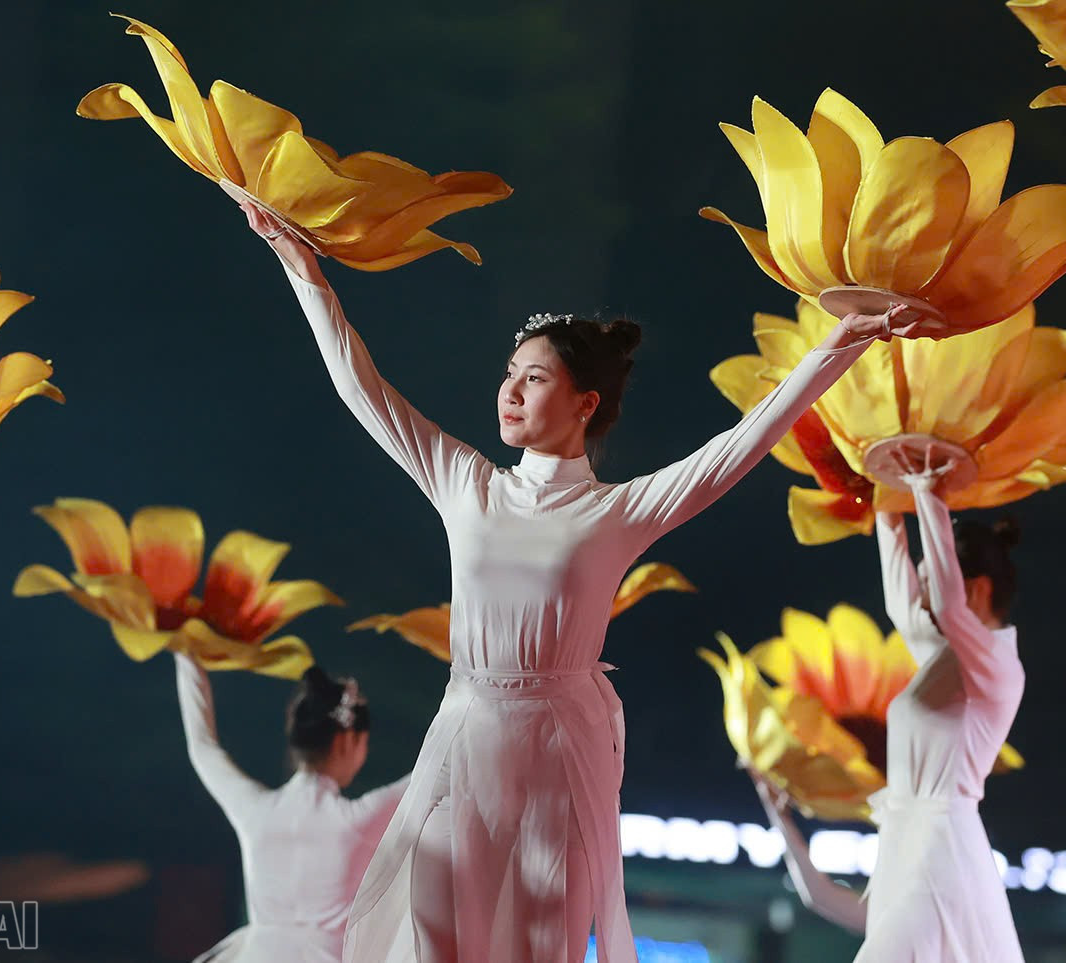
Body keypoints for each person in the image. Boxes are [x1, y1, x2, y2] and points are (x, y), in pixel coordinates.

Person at [242, 200, 951, 962]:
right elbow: (362, 388)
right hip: (466, 733)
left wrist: (844, 339)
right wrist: (303, 269)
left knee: (538, 944)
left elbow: (743, 443)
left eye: (534, 377)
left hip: (558, 752)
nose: (511, 390)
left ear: (585, 403)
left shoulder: (616, 512)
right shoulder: (466, 482)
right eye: (510, 374)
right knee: (430, 933)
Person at [753, 453, 1026, 962]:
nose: (921, 600)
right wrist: (885, 499)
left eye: (931, 581)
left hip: (942, 845)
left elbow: (944, 607)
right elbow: (904, 605)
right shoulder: (944, 659)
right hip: (913, 838)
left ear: (976, 589)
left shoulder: (996, 667)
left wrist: (926, 490)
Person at [175, 654, 409, 962]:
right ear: (347, 740)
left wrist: (186, 651)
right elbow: (438, 767)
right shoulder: (359, 820)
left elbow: (203, 748)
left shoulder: (257, 811)